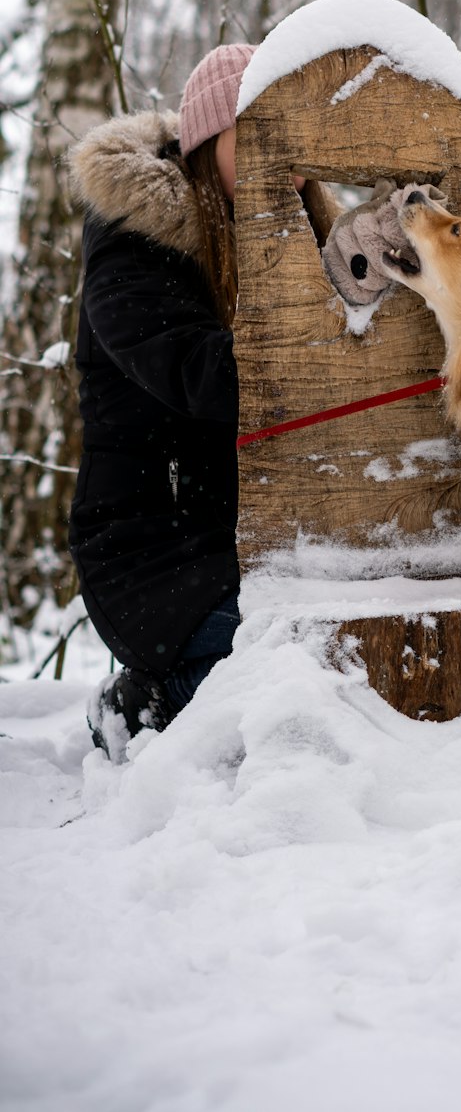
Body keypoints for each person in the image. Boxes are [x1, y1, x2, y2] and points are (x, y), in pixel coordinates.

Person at [68, 43, 256, 759]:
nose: (285, 162)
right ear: (208, 144)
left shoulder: (277, 231)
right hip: (158, 553)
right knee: (273, 669)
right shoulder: (132, 245)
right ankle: (145, 701)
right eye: (259, 140)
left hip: (255, 542)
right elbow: (209, 379)